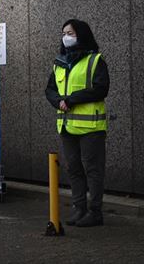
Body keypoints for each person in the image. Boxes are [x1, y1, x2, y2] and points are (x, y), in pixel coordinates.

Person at [45, 19, 110, 227]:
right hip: (66, 125)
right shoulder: (60, 62)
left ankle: (95, 212)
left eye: (70, 33)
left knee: (93, 169)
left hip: (91, 126)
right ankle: (79, 208)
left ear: (81, 34)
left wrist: (71, 100)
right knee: (73, 168)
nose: (66, 37)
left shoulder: (95, 60)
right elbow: (50, 89)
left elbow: (101, 88)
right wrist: (58, 101)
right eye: (64, 33)